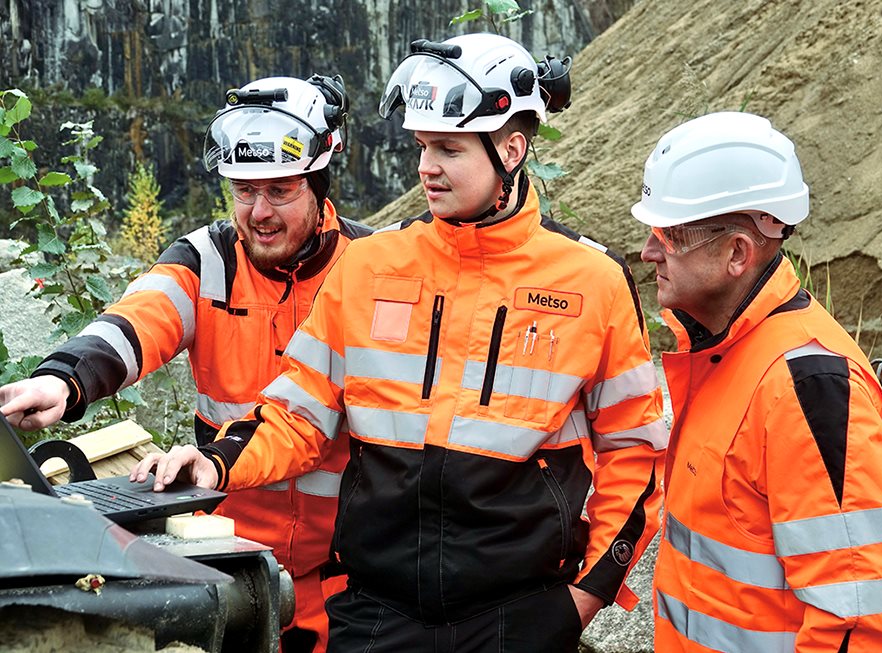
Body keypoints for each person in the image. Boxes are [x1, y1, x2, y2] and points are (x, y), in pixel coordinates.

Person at [133, 33, 668, 652]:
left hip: (521, 616)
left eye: (449, 148)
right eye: (421, 146)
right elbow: (299, 412)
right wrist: (216, 461)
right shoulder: (369, 268)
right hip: (374, 615)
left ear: (513, 148)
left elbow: (635, 451)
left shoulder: (592, 281)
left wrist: (586, 598)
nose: (426, 168)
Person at [0, 74, 372, 653]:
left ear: (319, 183)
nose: (259, 211)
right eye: (243, 190)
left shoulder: (371, 271)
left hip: (352, 576)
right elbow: (137, 319)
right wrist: (63, 378)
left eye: (280, 190)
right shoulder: (208, 259)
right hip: (229, 558)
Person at [631, 111, 882, 652]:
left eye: (670, 233)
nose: (648, 250)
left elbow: (858, 624)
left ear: (737, 252)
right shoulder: (723, 355)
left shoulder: (810, 385)